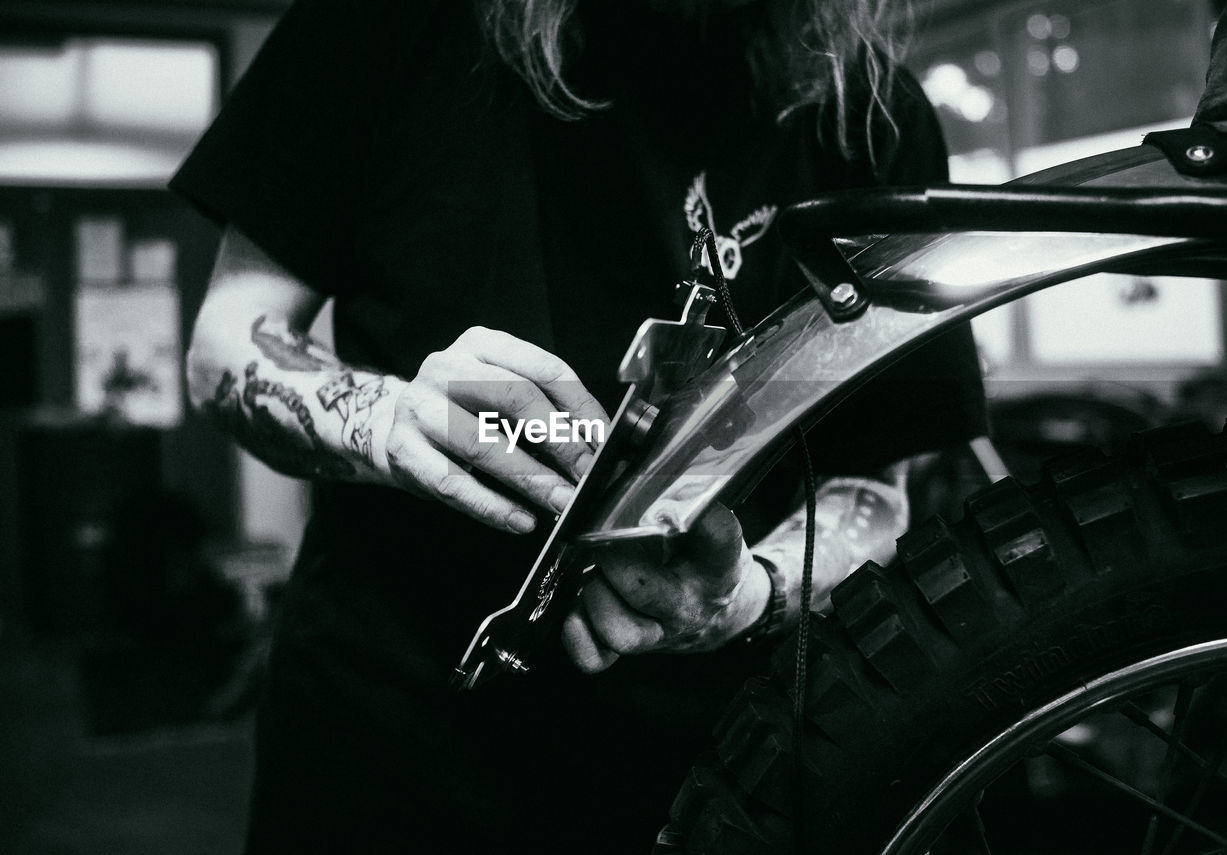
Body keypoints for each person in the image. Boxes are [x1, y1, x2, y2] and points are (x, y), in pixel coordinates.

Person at [176, 0, 988, 851]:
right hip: (391, 728)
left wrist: (751, 595)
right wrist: (385, 421)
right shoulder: (388, 24)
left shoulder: (870, 113)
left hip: (716, 762)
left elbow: (875, 489)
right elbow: (228, 344)